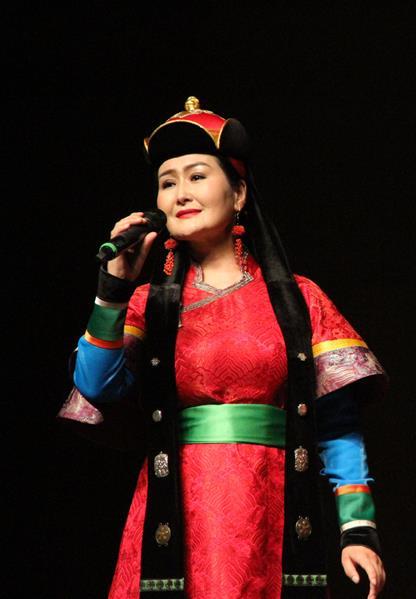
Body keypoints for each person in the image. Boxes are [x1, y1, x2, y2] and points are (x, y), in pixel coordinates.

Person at [59, 97, 387, 599]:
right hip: (175, 510)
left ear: (238, 194)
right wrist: (112, 293)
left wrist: (357, 529)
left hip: (271, 507)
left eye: (197, 176)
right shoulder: (145, 304)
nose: (181, 193)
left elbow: (338, 422)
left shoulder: (299, 300)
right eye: (167, 183)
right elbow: (95, 386)